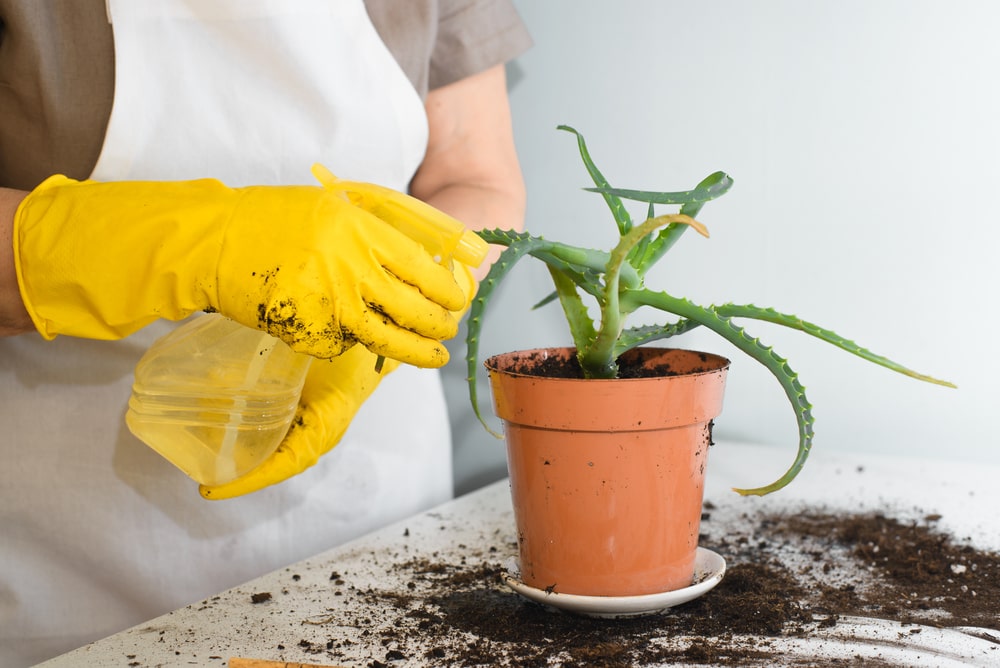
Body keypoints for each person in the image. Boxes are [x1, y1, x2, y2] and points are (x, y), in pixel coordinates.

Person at [0, 1, 531, 665]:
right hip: (74, 544)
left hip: (374, 507)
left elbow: (474, 179)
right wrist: (201, 245)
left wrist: (382, 322)